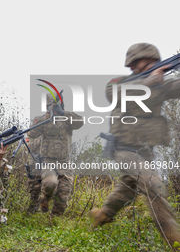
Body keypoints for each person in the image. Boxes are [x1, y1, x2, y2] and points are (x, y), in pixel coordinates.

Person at [89, 43, 180, 248]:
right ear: (133, 64)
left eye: (155, 62)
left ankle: (102, 215)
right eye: (146, 61)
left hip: (146, 150)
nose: (152, 65)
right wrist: (148, 82)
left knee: (128, 189)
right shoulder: (118, 83)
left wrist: (157, 81)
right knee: (153, 186)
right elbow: (114, 97)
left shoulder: (161, 85)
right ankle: (174, 241)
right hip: (124, 148)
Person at [27, 95, 83, 216]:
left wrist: (64, 114)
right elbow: (32, 133)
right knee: (50, 182)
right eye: (51, 106)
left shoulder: (67, 119)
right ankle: (45, 198)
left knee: (63, 195)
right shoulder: (42, 120)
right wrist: (47, 117)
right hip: (48, 161)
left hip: (65, 161)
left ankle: (54, 221)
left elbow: (80, 122)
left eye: (56, 105)